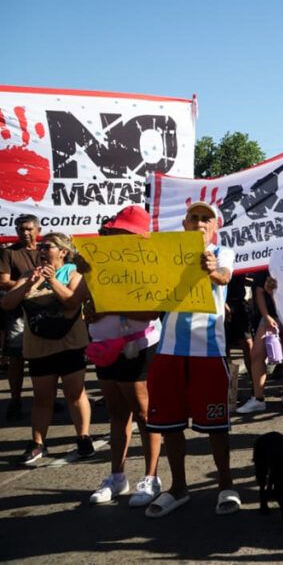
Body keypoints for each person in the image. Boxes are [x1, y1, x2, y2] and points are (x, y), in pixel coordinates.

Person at [144, 201, 238, 518]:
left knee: (217, 427)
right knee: (169, 425)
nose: (199, 223)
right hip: (168, 350)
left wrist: (212, 270)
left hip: (208, 351)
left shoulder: (223, 252)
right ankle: (179, 488)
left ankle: (226, 484)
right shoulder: (164, 253)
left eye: (206, 219)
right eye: (194, 218)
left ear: (215, 226)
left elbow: (224, 276)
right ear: (184, 223)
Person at [85, 206, 164, 507]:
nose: (116, 235)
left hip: (139, 346)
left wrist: (108, 308)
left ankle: (152, 477)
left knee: (144, 415)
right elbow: (81, 305)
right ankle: (117, 477)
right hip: (104, 346)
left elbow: (151, 312)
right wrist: (91, 309)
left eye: (124, 232)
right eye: (114, 230)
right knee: (117, 414)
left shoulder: (148, 266)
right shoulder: (96, 264)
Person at [1, 232, 93, 465]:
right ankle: (38, 443)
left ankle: (83, 438)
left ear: (62, 251)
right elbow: (7, 303)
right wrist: (29, 283)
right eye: (41, 246)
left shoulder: (75, 272)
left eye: (48, 246)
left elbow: (73, 301)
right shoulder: (29, 274)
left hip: (70, 344)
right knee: (42, 398)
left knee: (75, 394)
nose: (42, 250)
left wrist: (52, 281)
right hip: (39, 346)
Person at [236, 268, 283, 413]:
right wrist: (266, 317)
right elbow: (259, 291)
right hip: (271, 314)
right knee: (257, 354)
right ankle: (258, 398)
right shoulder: (267, 264)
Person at [0, 214, 42, 421]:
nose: (24, 233)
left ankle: (43, 398)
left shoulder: (46, 250)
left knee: (42, 356)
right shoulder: (9, 253)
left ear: (37, 230)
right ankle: (15, 400)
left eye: (28, 229)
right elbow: (3, 281)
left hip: (44, 309)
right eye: (20, 230)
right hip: (18, 310)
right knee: (17, 356)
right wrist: (28, 285)